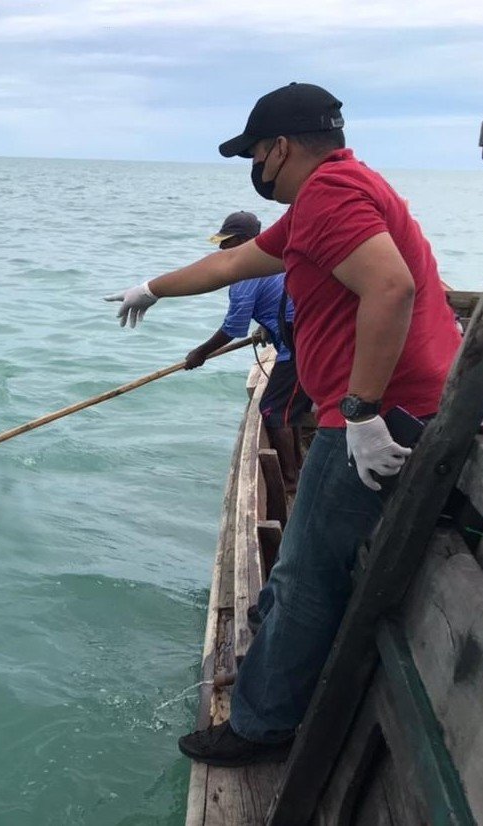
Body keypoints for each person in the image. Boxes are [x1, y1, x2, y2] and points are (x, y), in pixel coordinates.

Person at [106, 83, 462, 766]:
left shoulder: (329, 195)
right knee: (301, 559)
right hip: (400, 401)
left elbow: (391, 288)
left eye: (254, 154)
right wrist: (152, 286)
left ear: (280, 147)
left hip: (379, 412)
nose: (255, 168)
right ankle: (272, 654)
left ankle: (262, 725)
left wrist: (359, 413)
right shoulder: (331, 196)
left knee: (306, 573)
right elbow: (232, 262)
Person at [186, 210, 311, 492]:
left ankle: (291, 482)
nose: (221, 249)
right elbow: (281, 300)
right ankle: (300, 467)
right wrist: (266, 326)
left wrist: (201, 353)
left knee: (273, 410)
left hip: (297, 347)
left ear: (244, 240)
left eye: (226, 242)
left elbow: (233, 328)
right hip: (304, 338)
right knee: (290, 409)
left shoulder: (245, 274)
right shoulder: (275, 259)